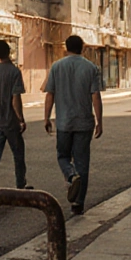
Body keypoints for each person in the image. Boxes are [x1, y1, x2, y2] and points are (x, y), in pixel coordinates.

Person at [42, 35, 103, 216]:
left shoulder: (57, 67)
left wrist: (46, 118)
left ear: (66, 47)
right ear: (83, 48)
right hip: (84, 122)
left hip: (64, 122)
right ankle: (78, 203)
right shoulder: (91, 68)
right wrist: (100, 121)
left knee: (63, 156)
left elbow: (50, 94)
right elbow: (95, 96)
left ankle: (69, 174)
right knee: (82, 162)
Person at [0, 40, 30, 197]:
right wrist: (20, 118)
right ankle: (20, 184)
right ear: (8, 51)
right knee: (18, 153)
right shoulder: (14, 72)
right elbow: (16, 99)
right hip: (10, 122)